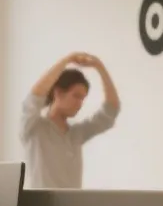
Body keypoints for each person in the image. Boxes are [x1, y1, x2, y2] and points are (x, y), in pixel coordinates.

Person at [22, 52, 119, 189]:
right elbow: (34, 98)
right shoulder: (34, 128)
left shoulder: (76, 134)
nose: (80, 103)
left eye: (83, 99)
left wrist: (99, 66)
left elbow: (110, 112)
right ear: (58, 93)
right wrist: (66, 60)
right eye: (76, 96)